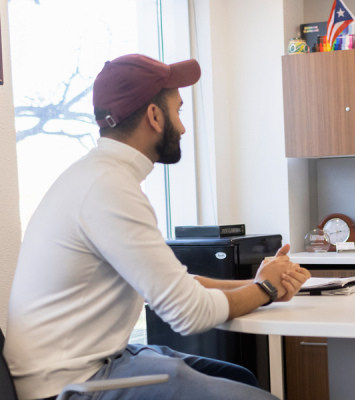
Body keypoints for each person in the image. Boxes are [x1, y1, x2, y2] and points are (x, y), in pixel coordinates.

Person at [4, 54, 310, 400]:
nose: (182, 126)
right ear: (154, 115)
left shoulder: (98, 177)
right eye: (178, 111)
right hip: (71, 385)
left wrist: (258, 283)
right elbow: (189, 314)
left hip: (98, 362)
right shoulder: (109, 188)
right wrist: (266, 290)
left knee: (240, 377)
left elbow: (177, 285)